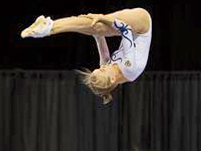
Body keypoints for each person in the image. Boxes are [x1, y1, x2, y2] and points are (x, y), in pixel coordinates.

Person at [20, 7, 152, 104]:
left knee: (96, 27)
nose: (103, 67)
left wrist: (86, 25)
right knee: (99, 24)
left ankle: (47, 26)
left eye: (99, 68)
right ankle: (48, 28)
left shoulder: (108, 70)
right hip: (142, 24)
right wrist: (101, 16)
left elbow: (98, 36)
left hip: (133, 29)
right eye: (102, 70)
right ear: (112, 79)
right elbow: (126, 29)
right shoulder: (129, 68)